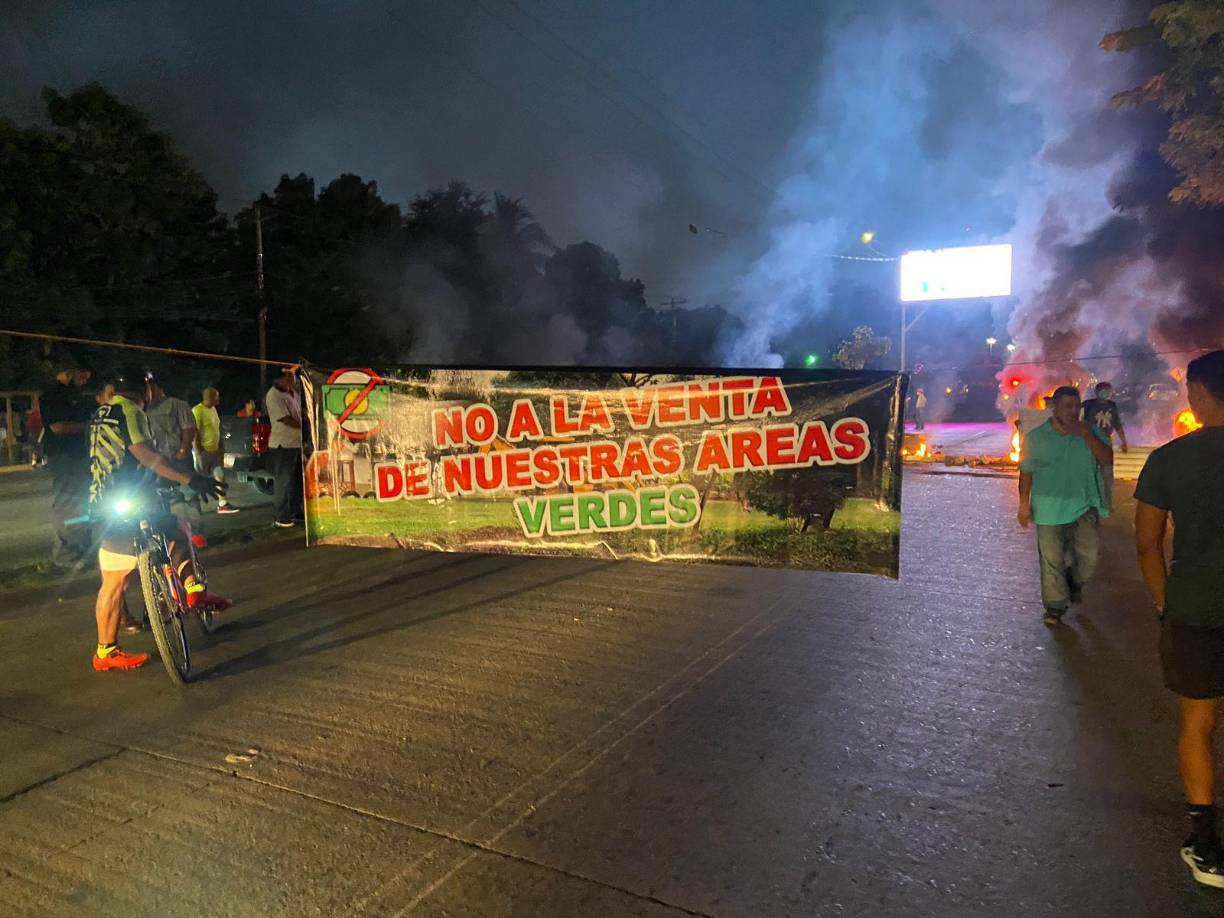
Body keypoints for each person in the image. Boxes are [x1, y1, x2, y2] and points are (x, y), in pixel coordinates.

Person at [1134, 350, 1224, 888]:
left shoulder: (1169, 459)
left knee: (1198, 721)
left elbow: (1148, 543)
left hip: (1194, 608)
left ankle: (1205, 842)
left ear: (1198, 394)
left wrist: (1163, 602)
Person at [88, 366, 230, 672]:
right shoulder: (131, 412)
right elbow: (146, 456)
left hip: (104, 502)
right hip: (133, 495)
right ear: (145, 389)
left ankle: (105, 652)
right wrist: (189, 479)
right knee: (177, 528)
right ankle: (195, 590)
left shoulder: (101, 412)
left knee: (113, 583)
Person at [1017, 386, 1112, 625]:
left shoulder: (1090, 432)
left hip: (1084, 504)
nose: (1073, 411)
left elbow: (1107, 459)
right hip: (1048, 508)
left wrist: (1087, 436)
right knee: (1052, 560)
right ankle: (1055, 607)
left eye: (1076, 406)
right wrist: (1023, 504)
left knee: (1090, 556)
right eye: (1067, 406)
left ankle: (1075, 581)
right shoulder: (1036, 437)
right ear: (1054, 408)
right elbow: (1026, 472)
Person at [41, 355, 95, 567]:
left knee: (81, 504)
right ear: (70, 372)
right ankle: (66, 555)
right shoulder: (52, 395)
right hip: (64, 457)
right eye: (82, 377)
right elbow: (58, 427)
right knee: (67, 504)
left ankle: (80, 550)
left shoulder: (74, 394)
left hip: (78, 457)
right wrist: (89, 426)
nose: (85, 381)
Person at [266, 367, 303, 528]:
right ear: (279, 379)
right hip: (283, 445)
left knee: (296, 480)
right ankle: (281, 516)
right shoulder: (274, 395)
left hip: (297, 443)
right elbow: (286, 419)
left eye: (293, 375)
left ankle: (295, 510)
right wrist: (306, 426)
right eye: (289, 376)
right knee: (284, 481)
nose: (293, 379)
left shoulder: (293, 393)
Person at [1081, 381, 1128, 512]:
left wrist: (1124, 441)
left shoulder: (1112, 407)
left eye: (1108, 391)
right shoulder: (1088, 405)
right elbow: (1079, 420)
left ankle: (1107, 503)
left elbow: (1117, 424)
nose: (1106, 393)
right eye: (1103, 390)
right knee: (1089, 474)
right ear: (1097, 392)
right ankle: (1089, 503)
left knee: (1107, 476)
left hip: (1106, 443)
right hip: (1090, 443)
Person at [193, 387, 238, 514]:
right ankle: (194, 507)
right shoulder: (197, 410)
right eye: (216, 396)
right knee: (198, 480)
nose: (218, 399)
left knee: (220, 475)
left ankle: (222, 504)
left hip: (215, 451)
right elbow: (194, 432)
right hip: (203, 452)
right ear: (210, 397)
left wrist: (221, 446)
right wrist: (198, 452)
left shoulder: (213, 409)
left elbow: (215, 428)